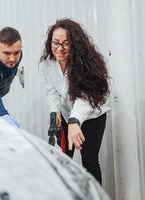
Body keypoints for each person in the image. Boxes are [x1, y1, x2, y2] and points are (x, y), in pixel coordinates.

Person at [40, 18, 110, 184]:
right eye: (56, 43)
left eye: (66, 43)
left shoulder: (84, 64)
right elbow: (52, 92)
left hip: (92, 114)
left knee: (89, 160)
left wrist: (74, 120)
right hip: (66, 113)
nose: (60, 48)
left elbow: (84, 97)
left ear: (75, 44)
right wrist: (54, 111)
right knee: (65, 158)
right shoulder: (46, 65)